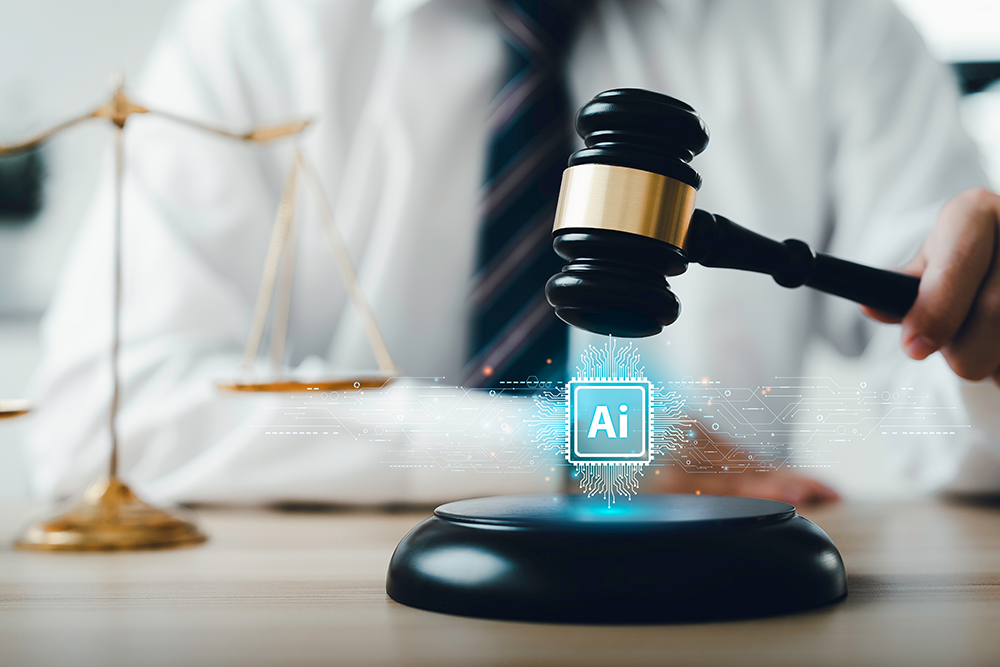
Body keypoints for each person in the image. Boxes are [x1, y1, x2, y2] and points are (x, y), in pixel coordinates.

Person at [24, 0, 1000, 505]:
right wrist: (578, 448)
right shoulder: (259, 31)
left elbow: (945, 421)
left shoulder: (835, 28)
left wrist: (983, 356)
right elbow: (101, 412)